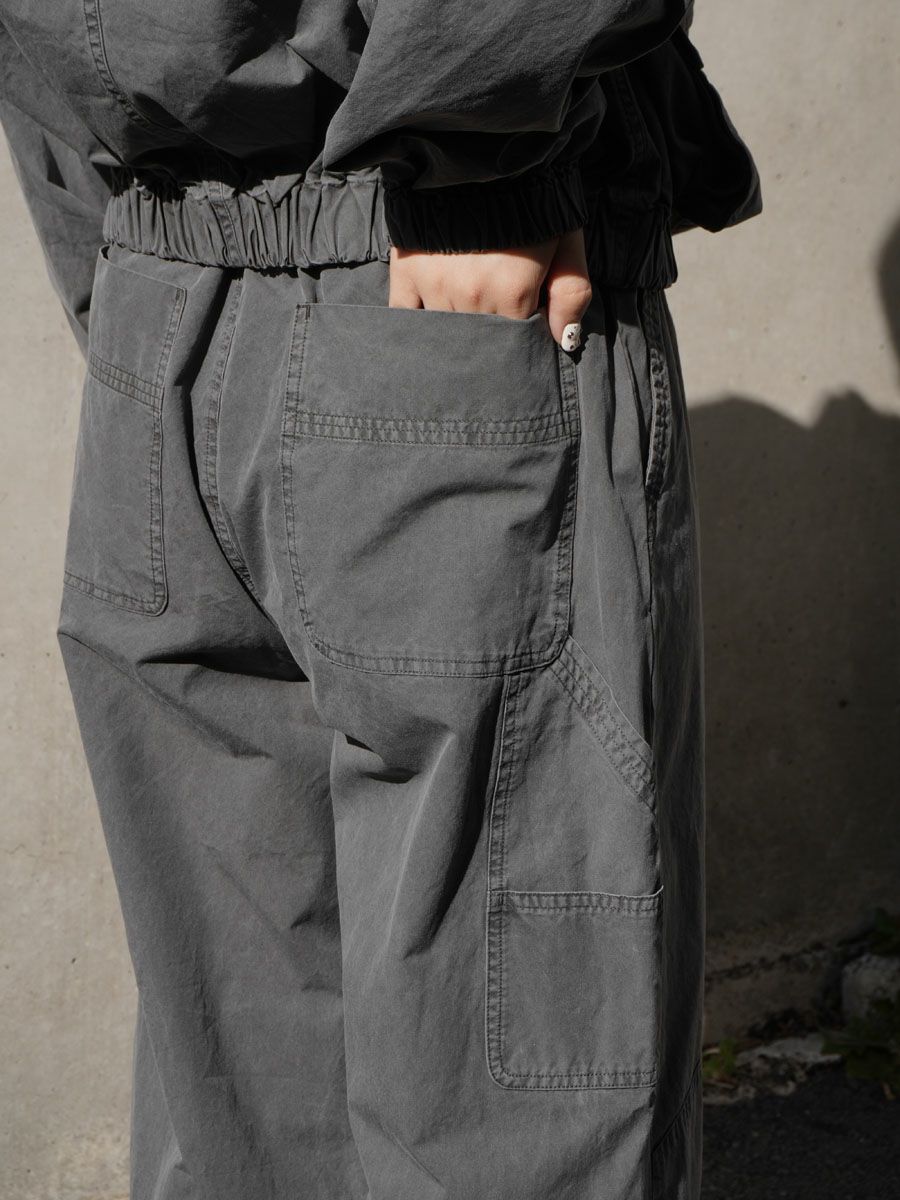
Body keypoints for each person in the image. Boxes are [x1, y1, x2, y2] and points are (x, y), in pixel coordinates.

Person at [0, 2, 760, 1197]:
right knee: (510, 1107)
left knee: (242, 1084)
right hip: (427, 263)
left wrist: (134, 281)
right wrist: (473, 166)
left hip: (160, 299)